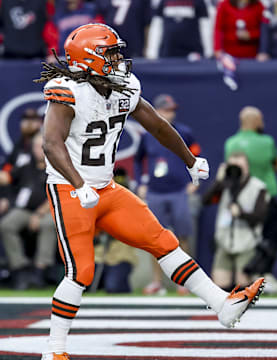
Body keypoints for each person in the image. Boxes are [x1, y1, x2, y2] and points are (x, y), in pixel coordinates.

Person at [34, 23, 265, 360]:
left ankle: (222, 305)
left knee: (164, 241)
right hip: (70, 189)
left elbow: (156, 123)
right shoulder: (68, 91)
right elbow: (51, 144)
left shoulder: (123, 86)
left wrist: (189, 160)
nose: (118, 59)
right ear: (89, 58)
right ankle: (54, 351)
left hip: (106, 188)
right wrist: (79, 185)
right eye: (110, 53)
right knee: (81, 271)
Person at [134, 94, 201, 295]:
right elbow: (138, 161)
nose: (170, 114)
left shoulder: (184, 132)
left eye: (172, 110)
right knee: (156, 239)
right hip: (155, 192)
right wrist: (140, 182)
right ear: (157, 111)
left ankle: (186, 281)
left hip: (178, 191)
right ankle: (157, 282)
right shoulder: (148, 134)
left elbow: (197, 155)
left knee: (183, 236)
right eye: (166, 110)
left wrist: (194, 181)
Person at [224, 106, 277, 291]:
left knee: (252, 236)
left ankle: (254, 272)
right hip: (265, 196)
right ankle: (261, 272)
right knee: (272, 234)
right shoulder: (266, 141)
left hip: (242, 199)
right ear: (255, 121)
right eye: (260, 119)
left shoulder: (231, 143)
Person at [203, 152, 269, 291]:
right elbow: (205, 200)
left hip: (246, 242)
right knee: (219, 284)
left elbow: (260, 216)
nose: (236, 169)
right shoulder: (225, 185)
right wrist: (219, 180)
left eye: (240, 165)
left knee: (243, 284)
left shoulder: (258, 187)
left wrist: (241, 214)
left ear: (247, 167)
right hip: (224, 241)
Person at [0, 132, 58, 290]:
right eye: (35, 147)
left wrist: (39, 214)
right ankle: (20, 269)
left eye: (41, 146)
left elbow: (58, 195)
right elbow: (7, 178)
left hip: (49, 211)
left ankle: (40, 270)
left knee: (48, 224)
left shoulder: (57, 166)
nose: (38, 150)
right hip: (24, 210)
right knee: (6, 224)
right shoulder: (25, 163)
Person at [146, 0, 212, 59]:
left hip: (192, 53)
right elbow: (156, 26)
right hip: (167, 52)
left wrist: (208, 51)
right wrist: (152, 52)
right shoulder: (163, 1)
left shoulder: (199, 1)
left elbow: (205, 27)